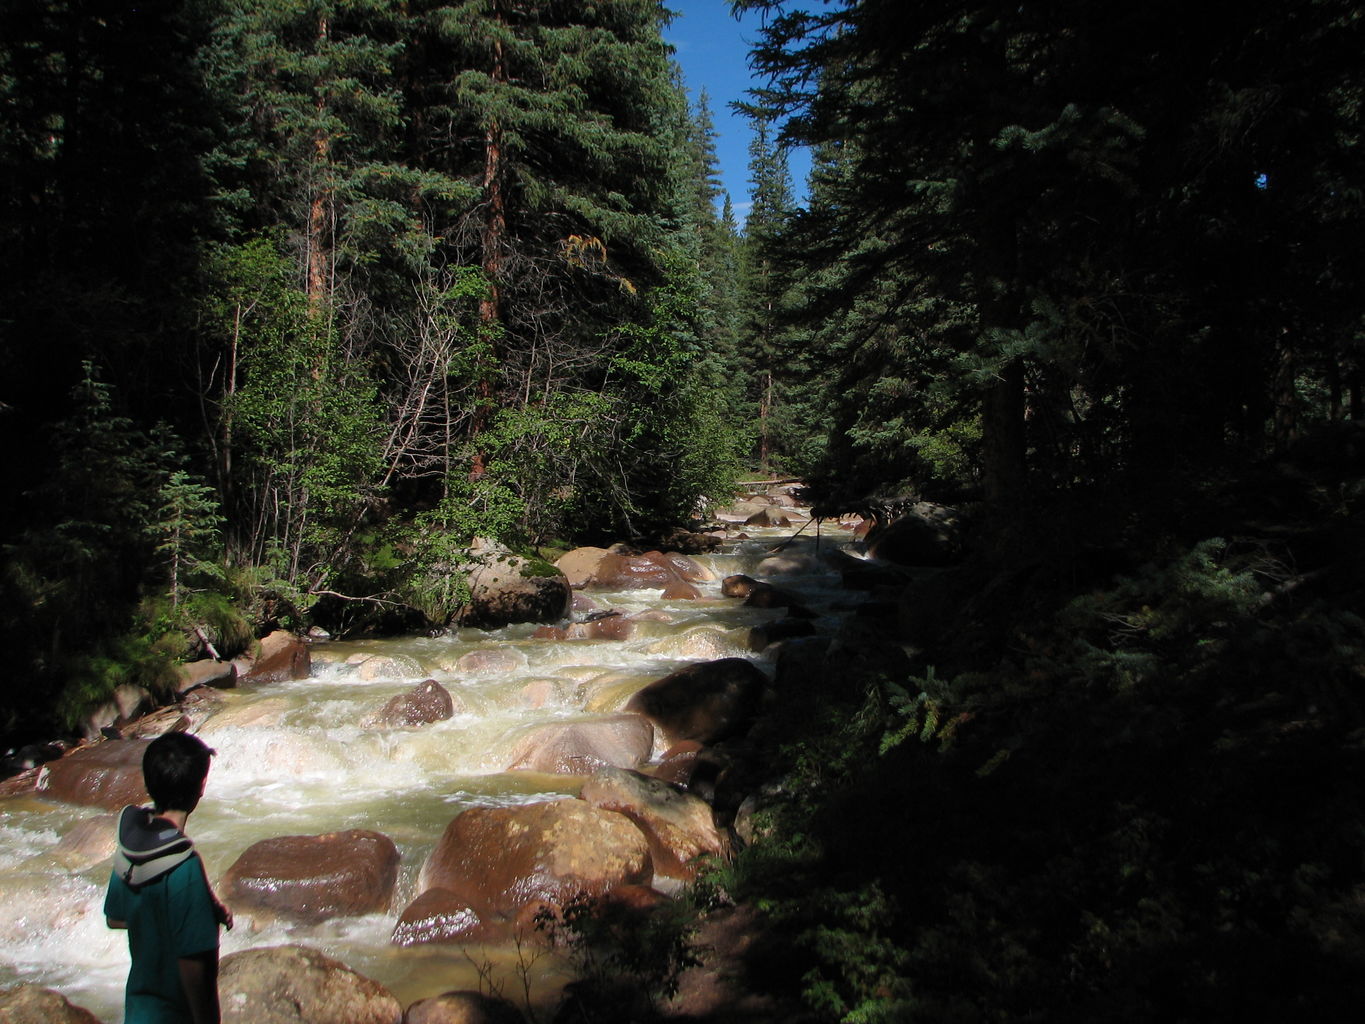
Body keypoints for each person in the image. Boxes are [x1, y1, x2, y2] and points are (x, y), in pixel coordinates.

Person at [105, 732, 232, 1024]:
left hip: (138, 1011)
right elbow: (192, 962)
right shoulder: (184, 866)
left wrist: (201, 910)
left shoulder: (130, 847)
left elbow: (115, 917)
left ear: (150, 785)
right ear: (200, 787)